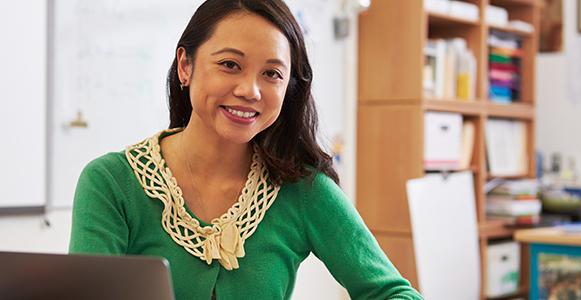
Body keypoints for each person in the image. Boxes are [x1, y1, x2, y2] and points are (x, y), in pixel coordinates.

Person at [69, 0, 423, 299]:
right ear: (185, 65)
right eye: (230, 65)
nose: (250, 90)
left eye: (272, 74)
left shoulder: (303, 190)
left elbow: (394, 293)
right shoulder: (111, 182)